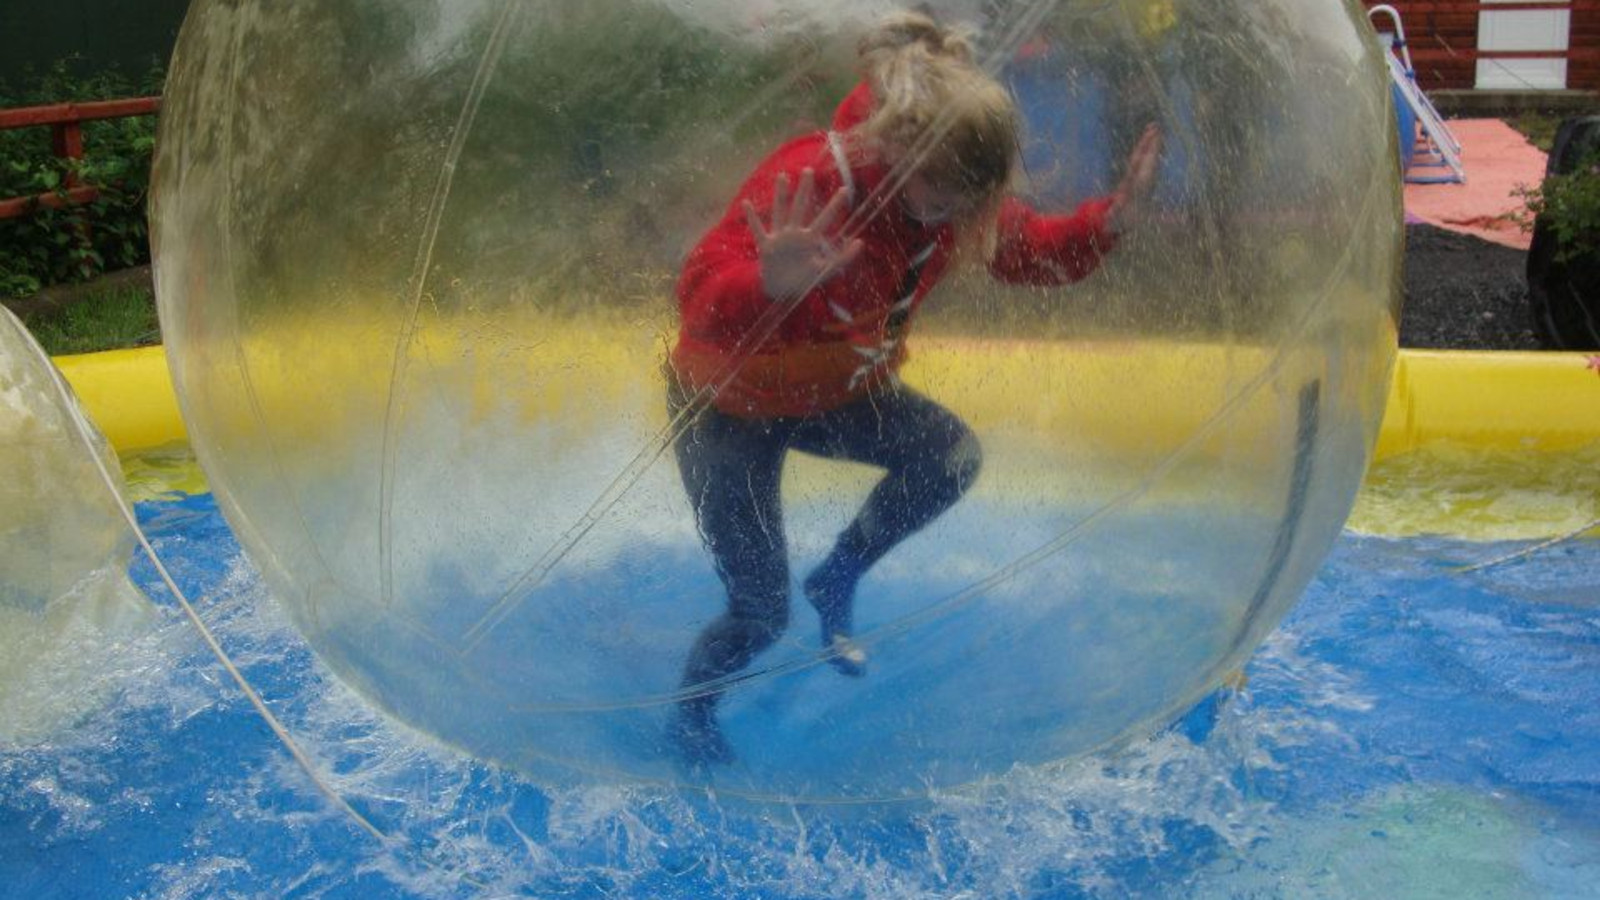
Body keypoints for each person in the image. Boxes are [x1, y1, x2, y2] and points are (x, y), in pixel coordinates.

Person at [665, 12, 1162, 766]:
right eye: (945, 198)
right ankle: (690, 719)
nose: (959, 217)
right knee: (760, 612)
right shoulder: (814, 179)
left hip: (831, 394)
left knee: (950, 457)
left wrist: (1111, 221)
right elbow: (699, 296)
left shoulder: (949, 194)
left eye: (972, 200)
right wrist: (767, 282)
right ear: (899, 150)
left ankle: (838, 574)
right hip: (727, 411)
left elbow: (1022, 250)